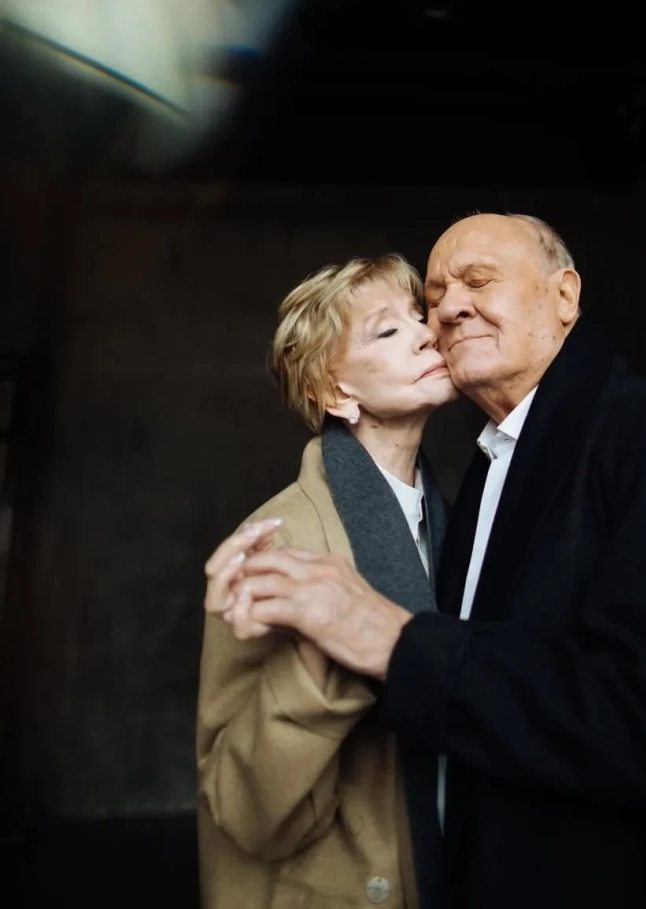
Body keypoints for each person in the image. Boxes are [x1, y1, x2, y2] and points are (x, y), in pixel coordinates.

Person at [226, 212, 646, 909]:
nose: (446, 311)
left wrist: (399, 643)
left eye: (478, 280)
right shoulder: (481, 481)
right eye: (435, 297)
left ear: (565, 297)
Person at [197, 253, 455, 909]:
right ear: (338, 394)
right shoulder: (277, 539)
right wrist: (322, 656)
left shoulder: (458, 520)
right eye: (387, 330)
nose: (426, 334)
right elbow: (244, 810)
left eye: (418, 316)